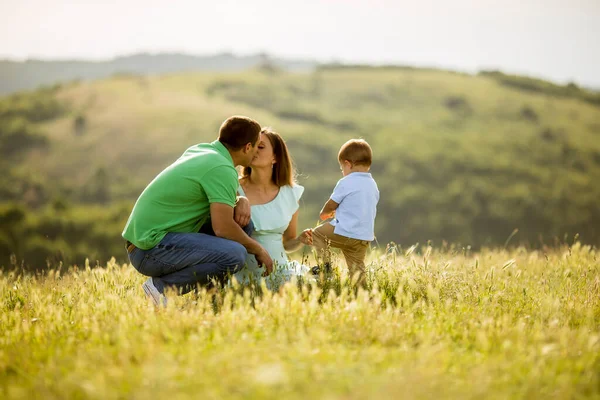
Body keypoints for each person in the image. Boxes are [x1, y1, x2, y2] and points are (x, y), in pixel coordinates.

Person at [122, 116, 274, 305]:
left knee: (243, 225)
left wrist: (240, 199)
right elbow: (223, 228)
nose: (256, 153)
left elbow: (215, 188)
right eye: (257, 146)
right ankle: (160, 289)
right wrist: (258, 248)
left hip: (148, 243)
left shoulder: (205, 151)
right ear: (247, 147)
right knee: (235, 254)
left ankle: (207, 299)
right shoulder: (222, 168)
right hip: (149, 250)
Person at [234, 128, 313, 290]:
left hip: (280, 271)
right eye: (253, 145)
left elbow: (287, 242)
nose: (254, 150)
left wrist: (299, 240)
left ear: (275, 157)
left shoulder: (290, 193)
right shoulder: (234, 188)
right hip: (244, 274)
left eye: (261, 147)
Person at [311, 139, 379, 286]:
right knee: (357, 270)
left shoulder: (346, 182)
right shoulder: (373, 185)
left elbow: (332, 203)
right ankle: (362, 295)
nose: (343, 172)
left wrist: (324, 213)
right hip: (363, 237)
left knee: (317, 234)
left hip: (345, 231)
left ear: (348, 164)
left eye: (342, 168)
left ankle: (325, 269)